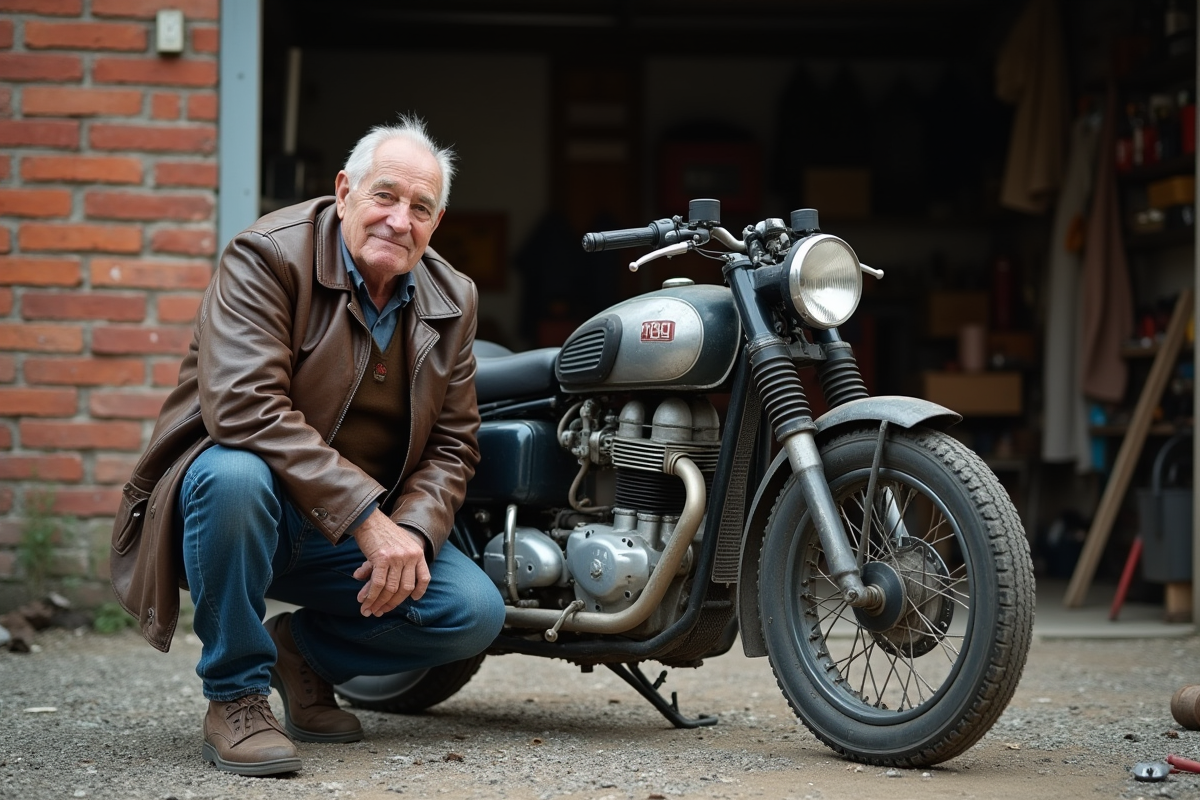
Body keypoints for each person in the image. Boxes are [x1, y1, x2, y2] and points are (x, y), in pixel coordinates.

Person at [108, 115, 507, 777]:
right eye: (385, 196)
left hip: (341, 537)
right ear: (345, 191)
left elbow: (453, 443)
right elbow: (243, 405)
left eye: (420, 208)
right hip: (241, 512)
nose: (399, 220)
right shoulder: (266, 255)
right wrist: (368, 519)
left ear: (436, 222)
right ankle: (236, 697)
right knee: (235, 475)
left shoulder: (453, 296)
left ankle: (303, 654)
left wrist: (410, 531)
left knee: (472, 612)